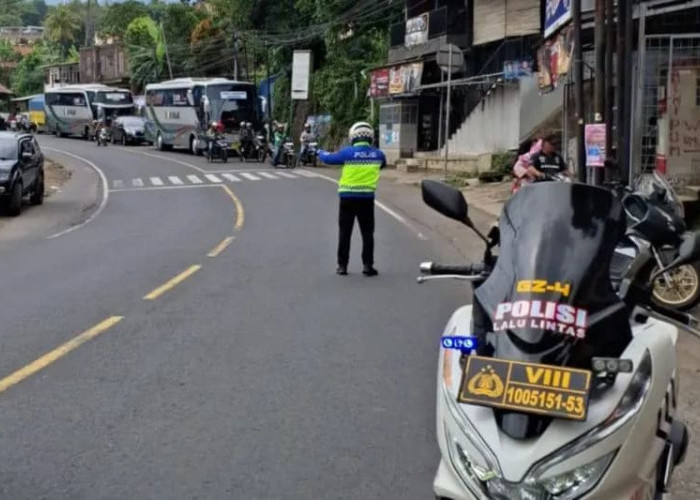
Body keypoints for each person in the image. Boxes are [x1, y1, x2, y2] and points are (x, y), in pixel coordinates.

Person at [318, 122, 386, 277]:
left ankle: (342, 266)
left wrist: (320, 151)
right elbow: (382, 165)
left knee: (345, 232)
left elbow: (328, 159)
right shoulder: (379, 154)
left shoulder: (347, 153)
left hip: (347, 199)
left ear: (353, 137)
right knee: (367, 233)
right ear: (370, 137)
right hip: (367, 199)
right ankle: (368, 266)